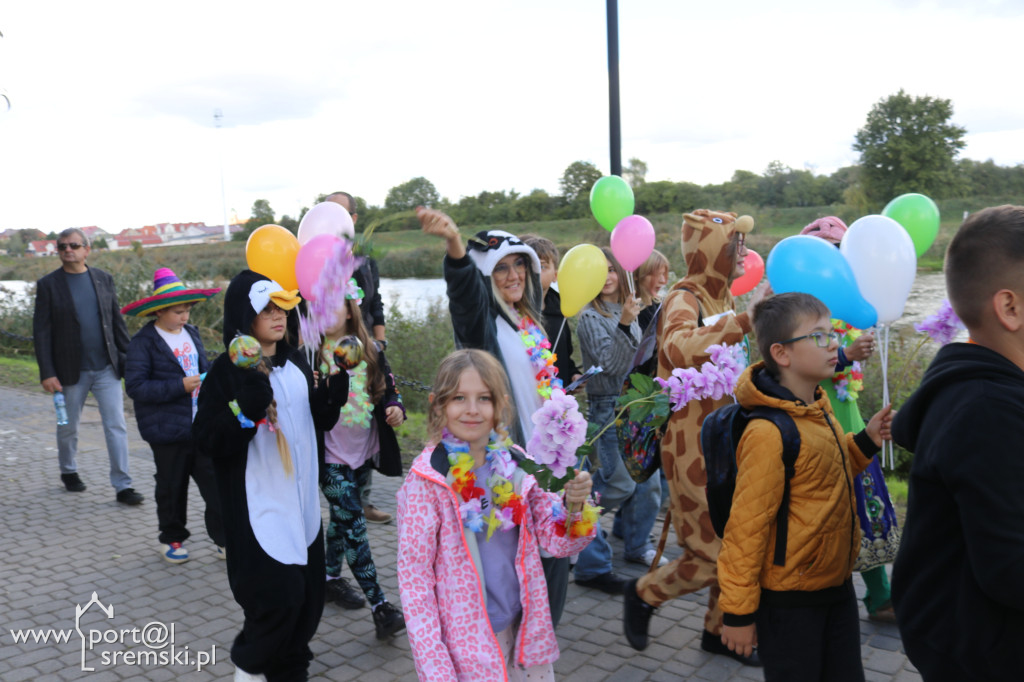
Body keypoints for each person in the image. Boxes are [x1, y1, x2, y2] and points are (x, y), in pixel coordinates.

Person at [718, 292, 892, 681]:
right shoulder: (767, 433)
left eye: (831, 333)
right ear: (781, 353)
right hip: (790, 603)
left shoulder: (816, 406)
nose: (834, 343)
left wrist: (866, 440)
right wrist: (738, 614)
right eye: (818, 336)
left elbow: (824, 470)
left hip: (835, 587)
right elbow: (746, 530)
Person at [396, 349, 596, 681]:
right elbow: (416, 585)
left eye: (484, 398)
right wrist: (436, 669)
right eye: (459, 397)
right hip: (464, 646)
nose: (472, 409)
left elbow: (557, 542)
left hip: (522, 633)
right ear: (437, 404)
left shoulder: (518, 464)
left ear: (499, 404)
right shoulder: (426, 484)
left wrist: (575, 505)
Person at [623, 209, 766, 665]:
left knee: (735, 541)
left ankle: (719, 632)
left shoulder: (721, 297)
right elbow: (678, 346)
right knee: (709, 554)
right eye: (735, 243)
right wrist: (745, 321)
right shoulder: (683, 297)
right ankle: (645, 592)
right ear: (712, 251)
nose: (744, 251)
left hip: (727, 443)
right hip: (691, 449)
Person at [419, 207, 572, 625]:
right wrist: (455, 247)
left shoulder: (528, 323)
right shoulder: (484, 326)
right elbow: (465, 299)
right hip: (509, 468)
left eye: (519, 264)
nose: (513, 275)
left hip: (548, 463)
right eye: (500, 268)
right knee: (523, 570)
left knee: (553, 564)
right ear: (486, 276)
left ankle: (537, 651)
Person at [193, 270, 347, 682]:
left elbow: (312, 425)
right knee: (276, 603)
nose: (278, 316)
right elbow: (206, 439)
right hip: (259, 510)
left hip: (303, 511)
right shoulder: (227, 371)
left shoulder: (295, 362)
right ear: (246, 316)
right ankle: (249, 670)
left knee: (307, 604)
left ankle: (290, 672)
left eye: (283, 307)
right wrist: (244, 411)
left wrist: (331, 398)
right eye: (266, 309)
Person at [892, 205, 1024, 681]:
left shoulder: (988, 391)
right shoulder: (987, 409)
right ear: (1010, 308)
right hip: (983, 653)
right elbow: (1010, 569)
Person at [801, 216, 899, 623]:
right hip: (811, 421)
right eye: (830, 253)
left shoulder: (846, 306)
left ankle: (879, 596)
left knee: (865, 503)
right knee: (820, 510)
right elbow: (797, 367)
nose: (838, 262)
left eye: (842, 252)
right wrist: (844, 356)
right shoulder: (796, 310)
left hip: (850, 417)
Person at [317, 281, 406, 639]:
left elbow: (389, 390)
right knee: (354, 525)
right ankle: (380, 607)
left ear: (350, 310)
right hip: (328, 457)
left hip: (362, 454)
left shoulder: (369, 350)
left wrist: (395, 408)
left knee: (342, 521)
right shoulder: (309, 354)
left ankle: (328, 578)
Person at [573, 248, 664, 595]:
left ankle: (636, 546)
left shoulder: (630, 307)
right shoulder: (590, 317)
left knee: (647, 483)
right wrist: (626, 323)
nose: (609, 276)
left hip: (637, 402)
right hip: (609, 406)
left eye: (613, 269)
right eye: (601, 271)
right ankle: (583, 536)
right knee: (617, 485)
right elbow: (610, 364)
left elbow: (639, 357)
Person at [32, 228, 142, 505]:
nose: (68, 250)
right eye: (62, 246)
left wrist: (131, 360)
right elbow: (42, 332)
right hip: (69, 372)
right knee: (66, 425)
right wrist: (47, 372)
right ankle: (68, 470)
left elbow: (116, 321)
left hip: (107, 368)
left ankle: (123, 486)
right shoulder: (48, 285)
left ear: (86, 249)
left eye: (74, 245)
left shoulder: (104, 279)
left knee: (116, 426)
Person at [123, 268, 224, 564]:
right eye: (178, 312)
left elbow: (203, 367)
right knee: (171, 486)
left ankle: (224, 539)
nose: (185, 317)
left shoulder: (191, 333)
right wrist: (180, 386)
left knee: (215, 484)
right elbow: (136, 387)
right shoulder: (143, 342)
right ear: (159, 311)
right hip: (166, 429)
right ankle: (172, 539)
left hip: (200, 424)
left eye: (188, 311)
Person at [324, 191, 393, 525]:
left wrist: (379, 342)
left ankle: (363, 500)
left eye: (340, 213)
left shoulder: (365, 261)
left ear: (352, 220)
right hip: (329, 352)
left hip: (364, 350)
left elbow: (375, 302)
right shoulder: (315, 259)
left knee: (368, 422)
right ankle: (342, 499)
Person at [520, 234, 582, 384]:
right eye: (528, 266)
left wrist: (573, 373)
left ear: (555, 275)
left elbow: (564, 355)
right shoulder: (514, 313)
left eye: (542, 266)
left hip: (557, 399)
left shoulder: (560, 311)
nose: (535, 272)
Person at [634, 249, 670, 333]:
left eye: (663, 274)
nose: (662, 280)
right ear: (637, 275)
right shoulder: (632, 312)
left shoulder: (662, 304)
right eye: (655, 275)